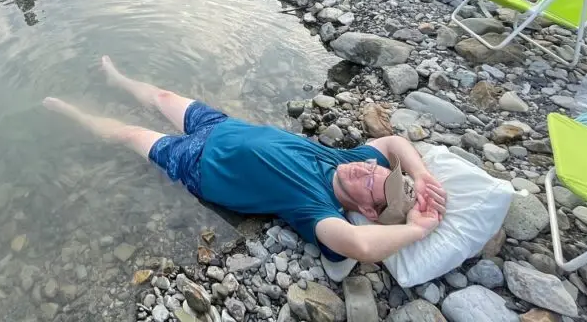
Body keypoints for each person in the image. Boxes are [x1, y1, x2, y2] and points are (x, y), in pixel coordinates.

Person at [44, 57, 446, 264]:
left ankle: (73, 114)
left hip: (198, 164)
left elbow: (360, 245)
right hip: (222, 126)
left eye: (374, 182)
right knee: (163, 97)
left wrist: (417, 229)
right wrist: (422, 174)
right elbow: (393, 142)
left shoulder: (317, 208)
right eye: (379, 169)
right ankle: (117, 79)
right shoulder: (348, 159)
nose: (369, 169)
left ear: (368, 211)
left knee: (131, 135)